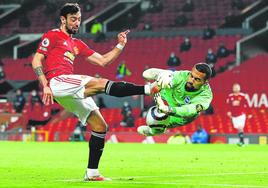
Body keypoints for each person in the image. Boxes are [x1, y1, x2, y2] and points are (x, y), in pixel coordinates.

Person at [31, 3, 155, 181]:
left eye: (79, 19)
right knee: (99, 83)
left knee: (100, 126)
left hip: (68, 87)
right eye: (73, 19)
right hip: (57, 81)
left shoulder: (77, 44)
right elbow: (37, 59)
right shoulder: (53, 35)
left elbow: (104, 61)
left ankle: (92, 172)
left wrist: (120, 45)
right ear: (63, 19)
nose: (77, 23)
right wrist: (45, 85)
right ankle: (148, 89)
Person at [138, 63, 213, 136]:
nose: (191, 80)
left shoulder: (205, 96)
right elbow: (174, 79)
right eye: (191, 76)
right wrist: (161, 83)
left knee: (159, 121)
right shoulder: (184, 75)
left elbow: (189, 110)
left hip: (181, 114)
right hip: (171, 95)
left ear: (205, 82)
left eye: (197, 79)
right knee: (165, 81)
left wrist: (169, 110)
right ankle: (162, 75)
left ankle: (153, 131)